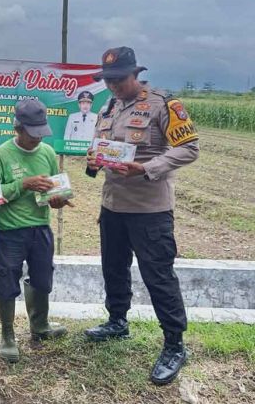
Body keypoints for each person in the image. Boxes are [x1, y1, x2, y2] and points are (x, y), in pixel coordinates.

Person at [84, 46, 199, 385]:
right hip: (113, 205)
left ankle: (175, 345)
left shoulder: (164, 104)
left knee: (158, 277)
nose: (114, 86)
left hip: (150, 210)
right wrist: (93, 161)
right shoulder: (108, 105)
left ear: (136, 74)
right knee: (113, 268)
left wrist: (147, 168)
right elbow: (100, 147)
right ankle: (117, 322)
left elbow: (189, 147)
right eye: (108, 81)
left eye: (119, 79)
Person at [0, 98, 71, 363]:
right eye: (32, 134)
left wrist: (58, 199)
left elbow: (54, 189)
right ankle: (8, 335)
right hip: (11, 231)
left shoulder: (46, 153)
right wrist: (23, 184)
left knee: (43, 279)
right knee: (8, 280)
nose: (37, 140)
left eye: (40, 133)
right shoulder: (0, 155)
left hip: (40, 229)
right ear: (17, 128)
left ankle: (40, 326)